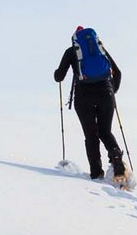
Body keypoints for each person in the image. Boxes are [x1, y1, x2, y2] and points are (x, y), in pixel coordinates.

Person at [53, 26, 125, 182]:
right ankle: (116, 156)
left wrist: (56, 73)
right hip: (106, 93)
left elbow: (59, 76)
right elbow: (117, 72)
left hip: (83, 96)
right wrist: (112, 91)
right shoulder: (101, 50)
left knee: (91, 135)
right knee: (105, 131)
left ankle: (96, 173)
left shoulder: (72, 51)